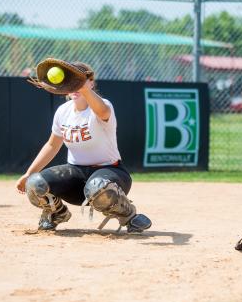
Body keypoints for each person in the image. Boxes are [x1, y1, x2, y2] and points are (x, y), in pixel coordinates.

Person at [16, 61, 152, 233]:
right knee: (35, 183)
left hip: (111, 174)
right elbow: (52, 145)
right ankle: (57, 213)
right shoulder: (63, 111)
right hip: (76, 177)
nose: (74, 86)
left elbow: (103, 112)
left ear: (91, 82)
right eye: (70, 82)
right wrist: (28, 173)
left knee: (97, 185)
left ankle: (128, 215)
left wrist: (85, 89)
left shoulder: (103, 105)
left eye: (78, 81)